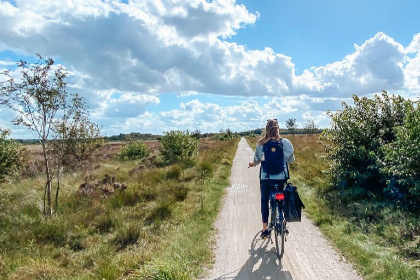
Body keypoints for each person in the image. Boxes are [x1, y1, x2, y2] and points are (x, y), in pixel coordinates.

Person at [248, 119, 295, 239]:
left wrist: (252, 164)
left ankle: (265, 230)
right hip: (281, 178)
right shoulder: (286, 143)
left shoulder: (261, 144)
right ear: (278, 129)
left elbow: (257, 160)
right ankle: (283, 222)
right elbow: (291, 160)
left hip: (266, 178)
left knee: (264, 200)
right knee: (283, 198)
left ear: (266, 129)